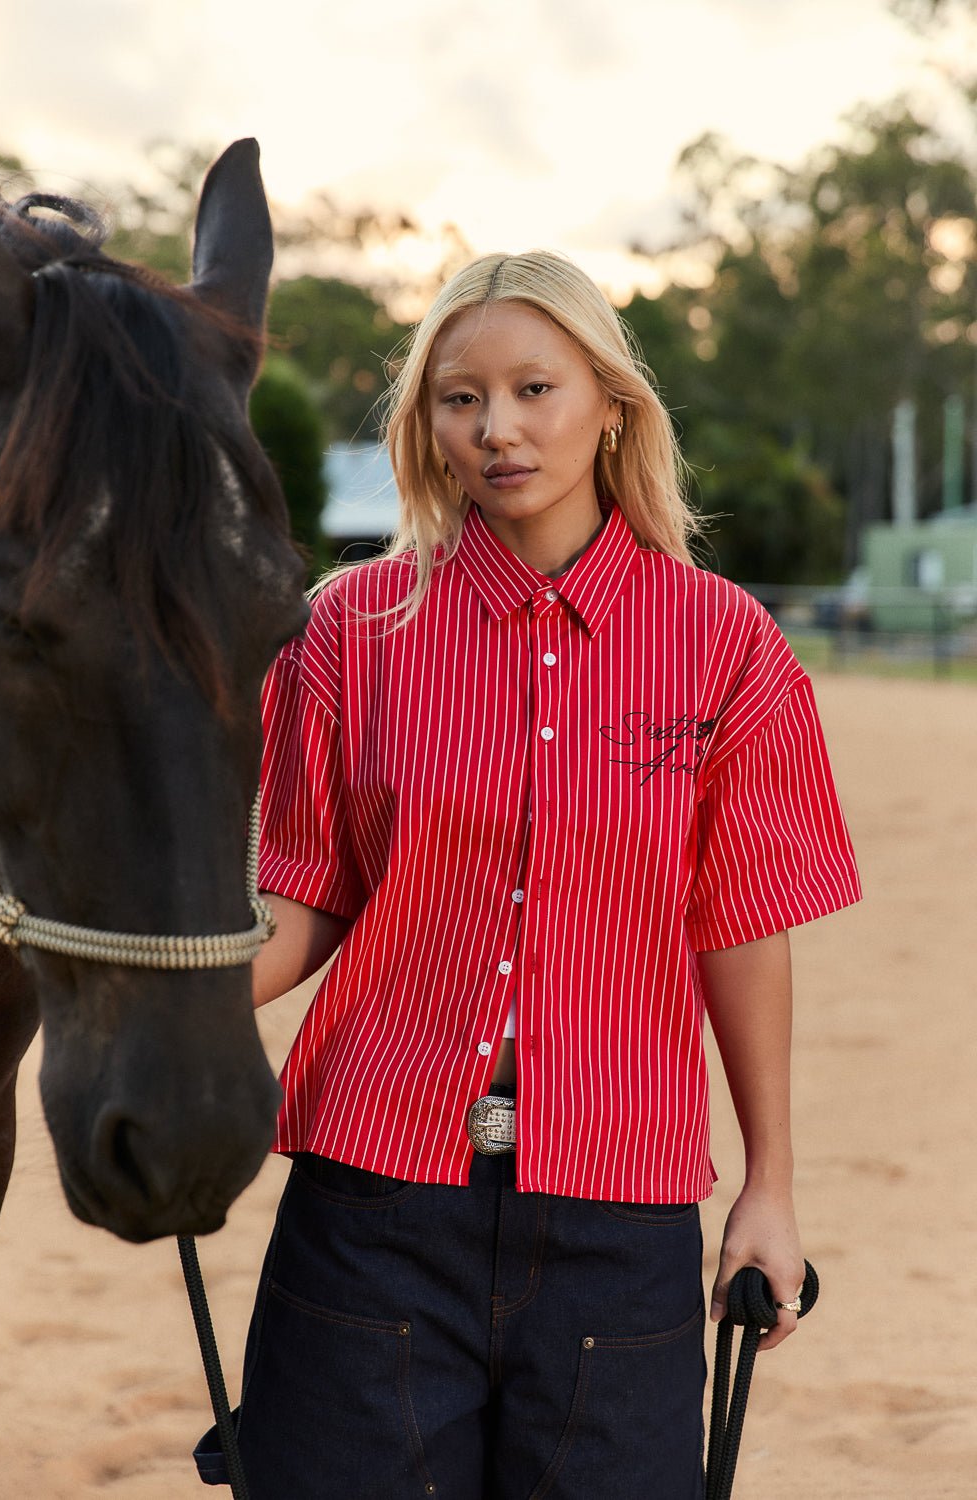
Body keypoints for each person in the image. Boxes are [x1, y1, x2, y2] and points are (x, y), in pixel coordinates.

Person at [221, 251, 861, 1499]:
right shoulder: (347, 632)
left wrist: (769, 1187)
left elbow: (736, 928)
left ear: (610, 402)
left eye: (533, 389)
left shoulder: (726, 646)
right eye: (461, 399)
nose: (496, 429)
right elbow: (303, 898)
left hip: (617, 1227)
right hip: (370, 1215)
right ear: (426, 421)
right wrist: (152, 987)